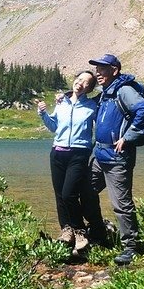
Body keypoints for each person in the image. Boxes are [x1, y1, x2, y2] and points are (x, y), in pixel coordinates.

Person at [88, 54, 144, 265]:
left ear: (114, 70)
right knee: (85, 192)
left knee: (121, 204)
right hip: (100, 156)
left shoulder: (124, 90)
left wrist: (129, 137)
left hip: (117, 158)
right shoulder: (106, 93)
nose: (98, 72)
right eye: (97, 69)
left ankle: (131, 247)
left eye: (103, 69)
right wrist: (68, 96)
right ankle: (98, 234)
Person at [37, 70, 99, 252]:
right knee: (59, 195)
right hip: (57, 153)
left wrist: (89, 146)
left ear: (89, 89)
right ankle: (66, 231)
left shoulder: (91, 106)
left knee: (69, 194)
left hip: (78, 154)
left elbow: (99, 127)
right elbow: (54, 127)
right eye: (79, 79)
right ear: (74, 80)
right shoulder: (62, 103)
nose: (80, 83)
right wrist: (43, 114)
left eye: (86, 83)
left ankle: (80, 231)